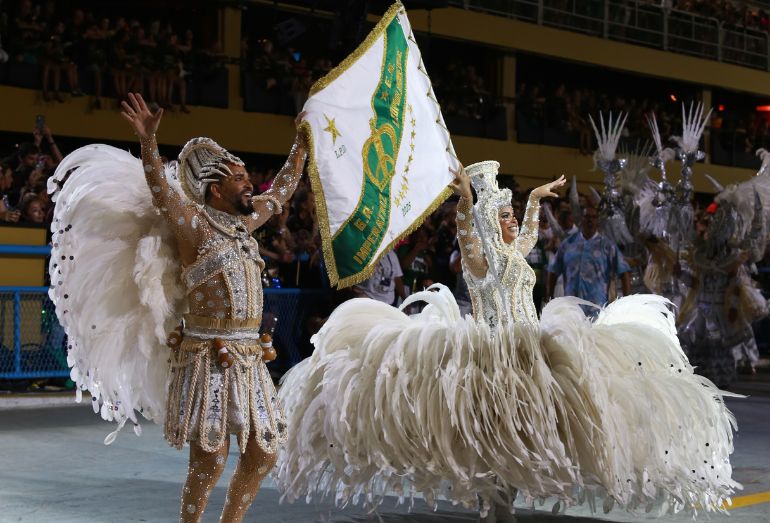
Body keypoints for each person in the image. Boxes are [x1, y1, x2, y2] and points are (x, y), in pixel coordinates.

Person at [275, 161, 738, 522]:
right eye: (505, 216)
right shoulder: (480, 259)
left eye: (514, 215)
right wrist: (464, 203)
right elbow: (468, 238)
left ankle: (506, 498)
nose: (514, 222)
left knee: (529, 430)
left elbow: (532, 235)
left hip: (530, 347)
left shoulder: (516, 250)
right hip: (492, 353)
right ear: (487, 222)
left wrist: (535, 199)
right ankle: (491, 503)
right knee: (488, 431)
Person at [47, 93, 307, 523]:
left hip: (250, 356)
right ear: (216, 189)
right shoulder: (195, 226)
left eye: (247, 177)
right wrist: (149, 143)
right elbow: (162, 193)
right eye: (239, 178)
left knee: (264, 452)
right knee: (210, 458)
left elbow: (281, 189)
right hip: (208, 356)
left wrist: (301, 143)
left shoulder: (245, 221)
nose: (249, 185)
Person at [544, 205, 631, 307]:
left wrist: (626, 301)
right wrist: (549, 296)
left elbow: (624, 272)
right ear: (581, 219)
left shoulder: (607, 246)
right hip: (571, 308)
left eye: (593, 217)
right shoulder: (568, 244)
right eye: (587, 216)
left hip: (597, 308)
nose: (590, 220)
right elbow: (553, 270)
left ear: (598, 220)